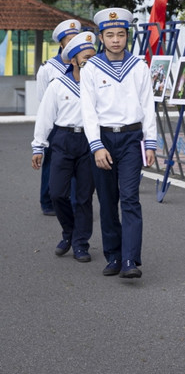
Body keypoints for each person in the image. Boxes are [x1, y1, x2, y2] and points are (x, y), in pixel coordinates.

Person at [80, 8, 157, 279]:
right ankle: (113, 255)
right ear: (101, 37)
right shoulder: (91, 68)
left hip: (131, 138)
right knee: (108, 200)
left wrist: (150, 142)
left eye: (121, 34)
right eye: (110, 35)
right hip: (103, 138)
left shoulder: (139, 66)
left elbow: (148, 105)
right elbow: (87, 111)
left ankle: (130, 260)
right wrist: (96, 146)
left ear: (127, 36)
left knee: (130, 198)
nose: (115, 40)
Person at [32, 32, 97, 263]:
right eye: (84, 57)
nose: (89, 60)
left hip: (89, 142)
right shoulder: (59, 84)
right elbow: (45, 116)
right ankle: (68, 231)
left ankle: (81, 243)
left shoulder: (99, 84)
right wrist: (38, 146)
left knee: (84, 197)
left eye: (92, 56)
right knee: (57, 193)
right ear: (73, 60)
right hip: (63, 139)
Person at [36, 19, 81, 215]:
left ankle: (73, 202)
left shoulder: (85, 64)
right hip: (55, 124)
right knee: (51, 163)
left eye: (75, 39)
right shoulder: (48, 68)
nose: (72, 44)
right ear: (61, 43)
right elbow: (42, 100)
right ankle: (47, 201)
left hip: (78, 123)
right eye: (68, 40)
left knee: (77, 166)